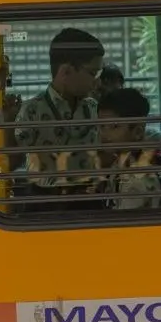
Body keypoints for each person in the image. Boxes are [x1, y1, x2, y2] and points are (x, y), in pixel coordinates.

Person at [13, 28, 106, 199]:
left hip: (88, 201)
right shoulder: (31, 111)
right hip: (44, 203)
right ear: (66, 71)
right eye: (92, 73)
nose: (98, 82)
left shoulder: (94, 108)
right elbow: (13, 161)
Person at [93, 87, 161, 209]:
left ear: (138, 132)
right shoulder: (119, 166)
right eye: (102, 126)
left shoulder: (137, 180)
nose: (104, 133)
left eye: (114, 126)